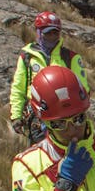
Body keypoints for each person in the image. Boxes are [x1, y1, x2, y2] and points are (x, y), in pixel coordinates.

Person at [8, 11, 89, 144]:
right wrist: (16, 116)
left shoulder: (71, 58)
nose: (52, 36)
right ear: (39, 32)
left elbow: (83, 89)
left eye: (55, 33)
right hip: (37, 119)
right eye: (47, 33)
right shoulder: (27, 57)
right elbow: (18, 89)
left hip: (67, 119)